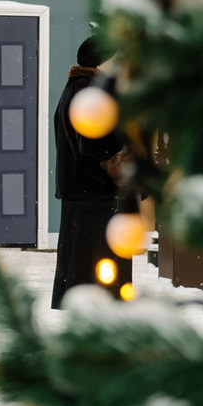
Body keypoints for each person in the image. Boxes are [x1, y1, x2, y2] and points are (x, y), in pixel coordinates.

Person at [52, 43, 133, 307]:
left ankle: (81, 311)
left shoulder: (74, 89)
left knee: (78, 268)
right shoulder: (91, 94)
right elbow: (95, 145)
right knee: (98, 273)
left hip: (79, 193)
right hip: (95, 195)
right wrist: (122, 160)